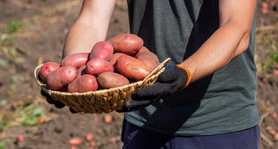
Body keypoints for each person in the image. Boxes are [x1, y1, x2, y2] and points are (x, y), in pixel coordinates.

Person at [43, 0, 260, 148]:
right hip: (144, 119)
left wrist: (184, 74)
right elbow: (91, 20)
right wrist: (74, 76)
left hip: (220, 125)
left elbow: (237, 27)